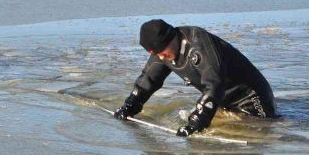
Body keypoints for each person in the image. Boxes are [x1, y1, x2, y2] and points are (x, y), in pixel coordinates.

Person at [114, 19, 277, 136]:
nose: (161, 58)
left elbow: (214, 85)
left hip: (250, 98)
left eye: (162, 53)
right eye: (156, 55)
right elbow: (148, 80)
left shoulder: (198, 43)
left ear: (171, 39)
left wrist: (198, 120)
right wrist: (130, 105)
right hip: (222, 100)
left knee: (262, 128)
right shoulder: (164, 51)